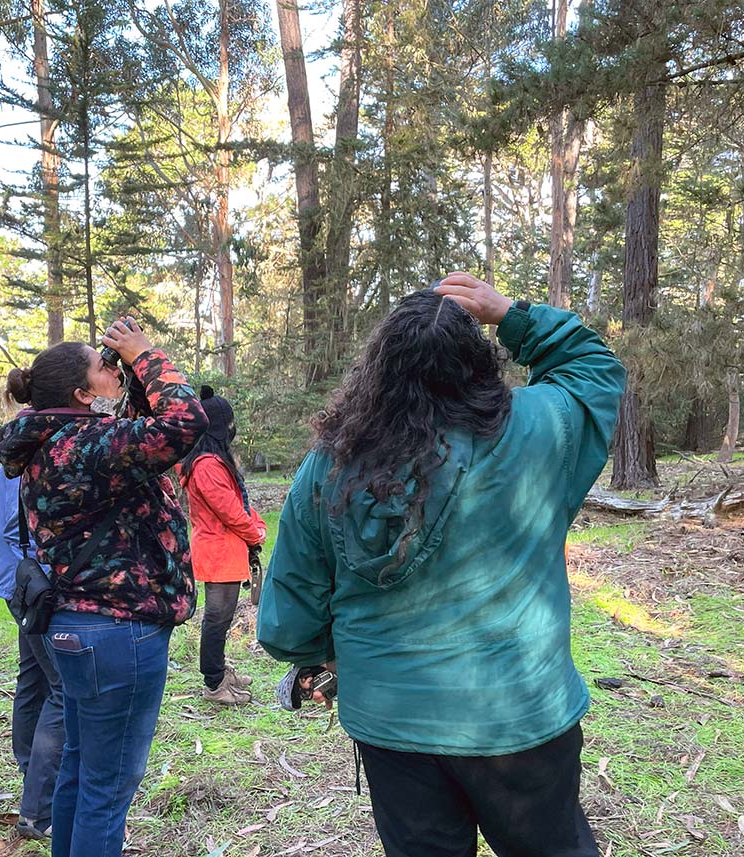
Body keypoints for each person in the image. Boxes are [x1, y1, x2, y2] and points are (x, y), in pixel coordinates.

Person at [257, 274, 626, 857]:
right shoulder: (539, 428)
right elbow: (594, 368)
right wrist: (509, 313)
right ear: (477, 362)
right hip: (520, 714)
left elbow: (287, 617)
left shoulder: (330, 465)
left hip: (390, 717)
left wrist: (320, 659)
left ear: (378, 369)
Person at [0, 317, 207, 857]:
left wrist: (131, 374)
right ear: (83, 393)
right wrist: (145, 356)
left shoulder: (54, 441)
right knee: (106, 790)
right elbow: (183, 422)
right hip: (119, 633)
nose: (113, 369)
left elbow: (139, 432)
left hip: (74, 625)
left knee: (80, 768)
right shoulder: (87, 445)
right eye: (101, 365)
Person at [0, 471, 64, 841]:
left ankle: (32, 775)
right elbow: (14, 526)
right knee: (63, 688)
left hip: (26, 581)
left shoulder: (26, 441)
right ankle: (38, 807)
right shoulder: (35, 450)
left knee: (35, 676)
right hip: (32, 583)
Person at [177, 386, 265, 705]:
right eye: (229, 423)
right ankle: (214, 683)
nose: (232, 429)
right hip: (219, 552)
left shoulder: (213, 461)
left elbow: (238, 503)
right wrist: (255, 533)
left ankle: (218, 671)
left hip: (225, 550)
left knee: (222, 618)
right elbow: (228, 510)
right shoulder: (206, 466)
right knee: (216, 619)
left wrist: (256, 524)